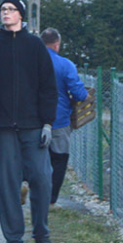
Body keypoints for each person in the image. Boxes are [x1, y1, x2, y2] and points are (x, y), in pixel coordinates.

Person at [0, 0, 58, 243]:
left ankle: (41, 234)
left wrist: (47, 123)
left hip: (34, 127)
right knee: (7, 186)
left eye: (11, 9)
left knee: (42, 180)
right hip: (3, 129)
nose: (6, 13)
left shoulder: (35, 46)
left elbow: (48, 87)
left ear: (21, 14)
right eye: (3, 10)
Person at [40, 28, 88, 205]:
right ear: (57, 44)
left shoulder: (30, 62)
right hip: (58, 120)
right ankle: (51, 199)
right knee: (59, 160)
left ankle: (30, 187)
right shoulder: (65, 64)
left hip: (34, 120)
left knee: (35, 158)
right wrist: (83, 94)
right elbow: (79, 94)